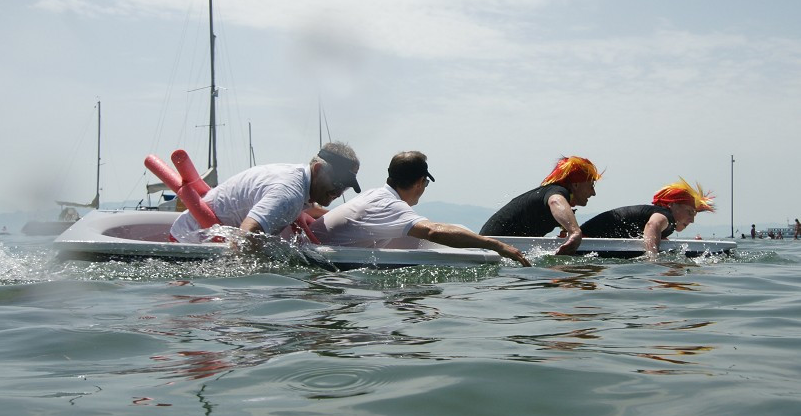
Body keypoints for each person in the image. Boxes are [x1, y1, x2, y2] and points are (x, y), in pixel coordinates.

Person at [309, 151, 530, 267]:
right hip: (320, 262)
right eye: (426, 184)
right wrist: (497, 245)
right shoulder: (390, 205)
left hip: (317, 251)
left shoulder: (375, 195)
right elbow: (433, 230)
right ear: (420, 182)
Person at [170, 141, 360, 242]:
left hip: (187, 233)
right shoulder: (289, 193)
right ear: (318, 170)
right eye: (338, 182)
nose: (340, 191)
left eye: (346, 186)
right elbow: (246, 235)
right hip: (189, 243)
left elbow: (306, 211)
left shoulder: (300, 180)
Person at [479, 156, 602, 255]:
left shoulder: (554, 192)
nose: (594, 193)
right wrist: (575, 232)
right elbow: (555, 201)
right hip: (490, 248)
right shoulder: (557, 191)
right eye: (591, 186)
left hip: (494, 246)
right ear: (576, 185)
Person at [580, 178, 714, 255]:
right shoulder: (665, 215)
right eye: (690, 212)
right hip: (583, 240)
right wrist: (652, 258)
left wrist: (694, 246)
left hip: (585, 239)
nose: (692, 219)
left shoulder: (666, 222)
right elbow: (652, 226)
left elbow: (654, 236)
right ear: (673, 205)